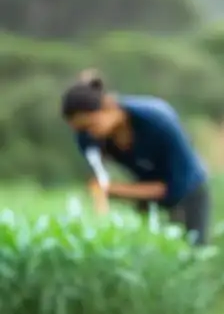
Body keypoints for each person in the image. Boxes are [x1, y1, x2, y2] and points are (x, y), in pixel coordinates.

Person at [60, 70, 211, 245]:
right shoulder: (87, 137)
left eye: (90, 125)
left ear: (109, 106)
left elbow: (171, 189)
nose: (88, 134)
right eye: (80, 129)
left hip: (187, 190)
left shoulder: (159, 120)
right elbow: (98, 181)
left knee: (190, 250)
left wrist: (112, 189)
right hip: (145, 193)